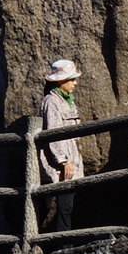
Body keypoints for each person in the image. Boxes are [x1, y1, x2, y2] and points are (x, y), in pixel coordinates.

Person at [35, 59, 86, 232]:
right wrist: (63, 161)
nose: (75, 83)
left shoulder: (67, 101)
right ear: (59, 80)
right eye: (71, 79)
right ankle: (63, 245)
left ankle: (65, 243)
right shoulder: (52, 102)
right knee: (63, 207)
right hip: (61, 165)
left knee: (69, 206)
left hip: (72, 160)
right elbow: (53, 133)